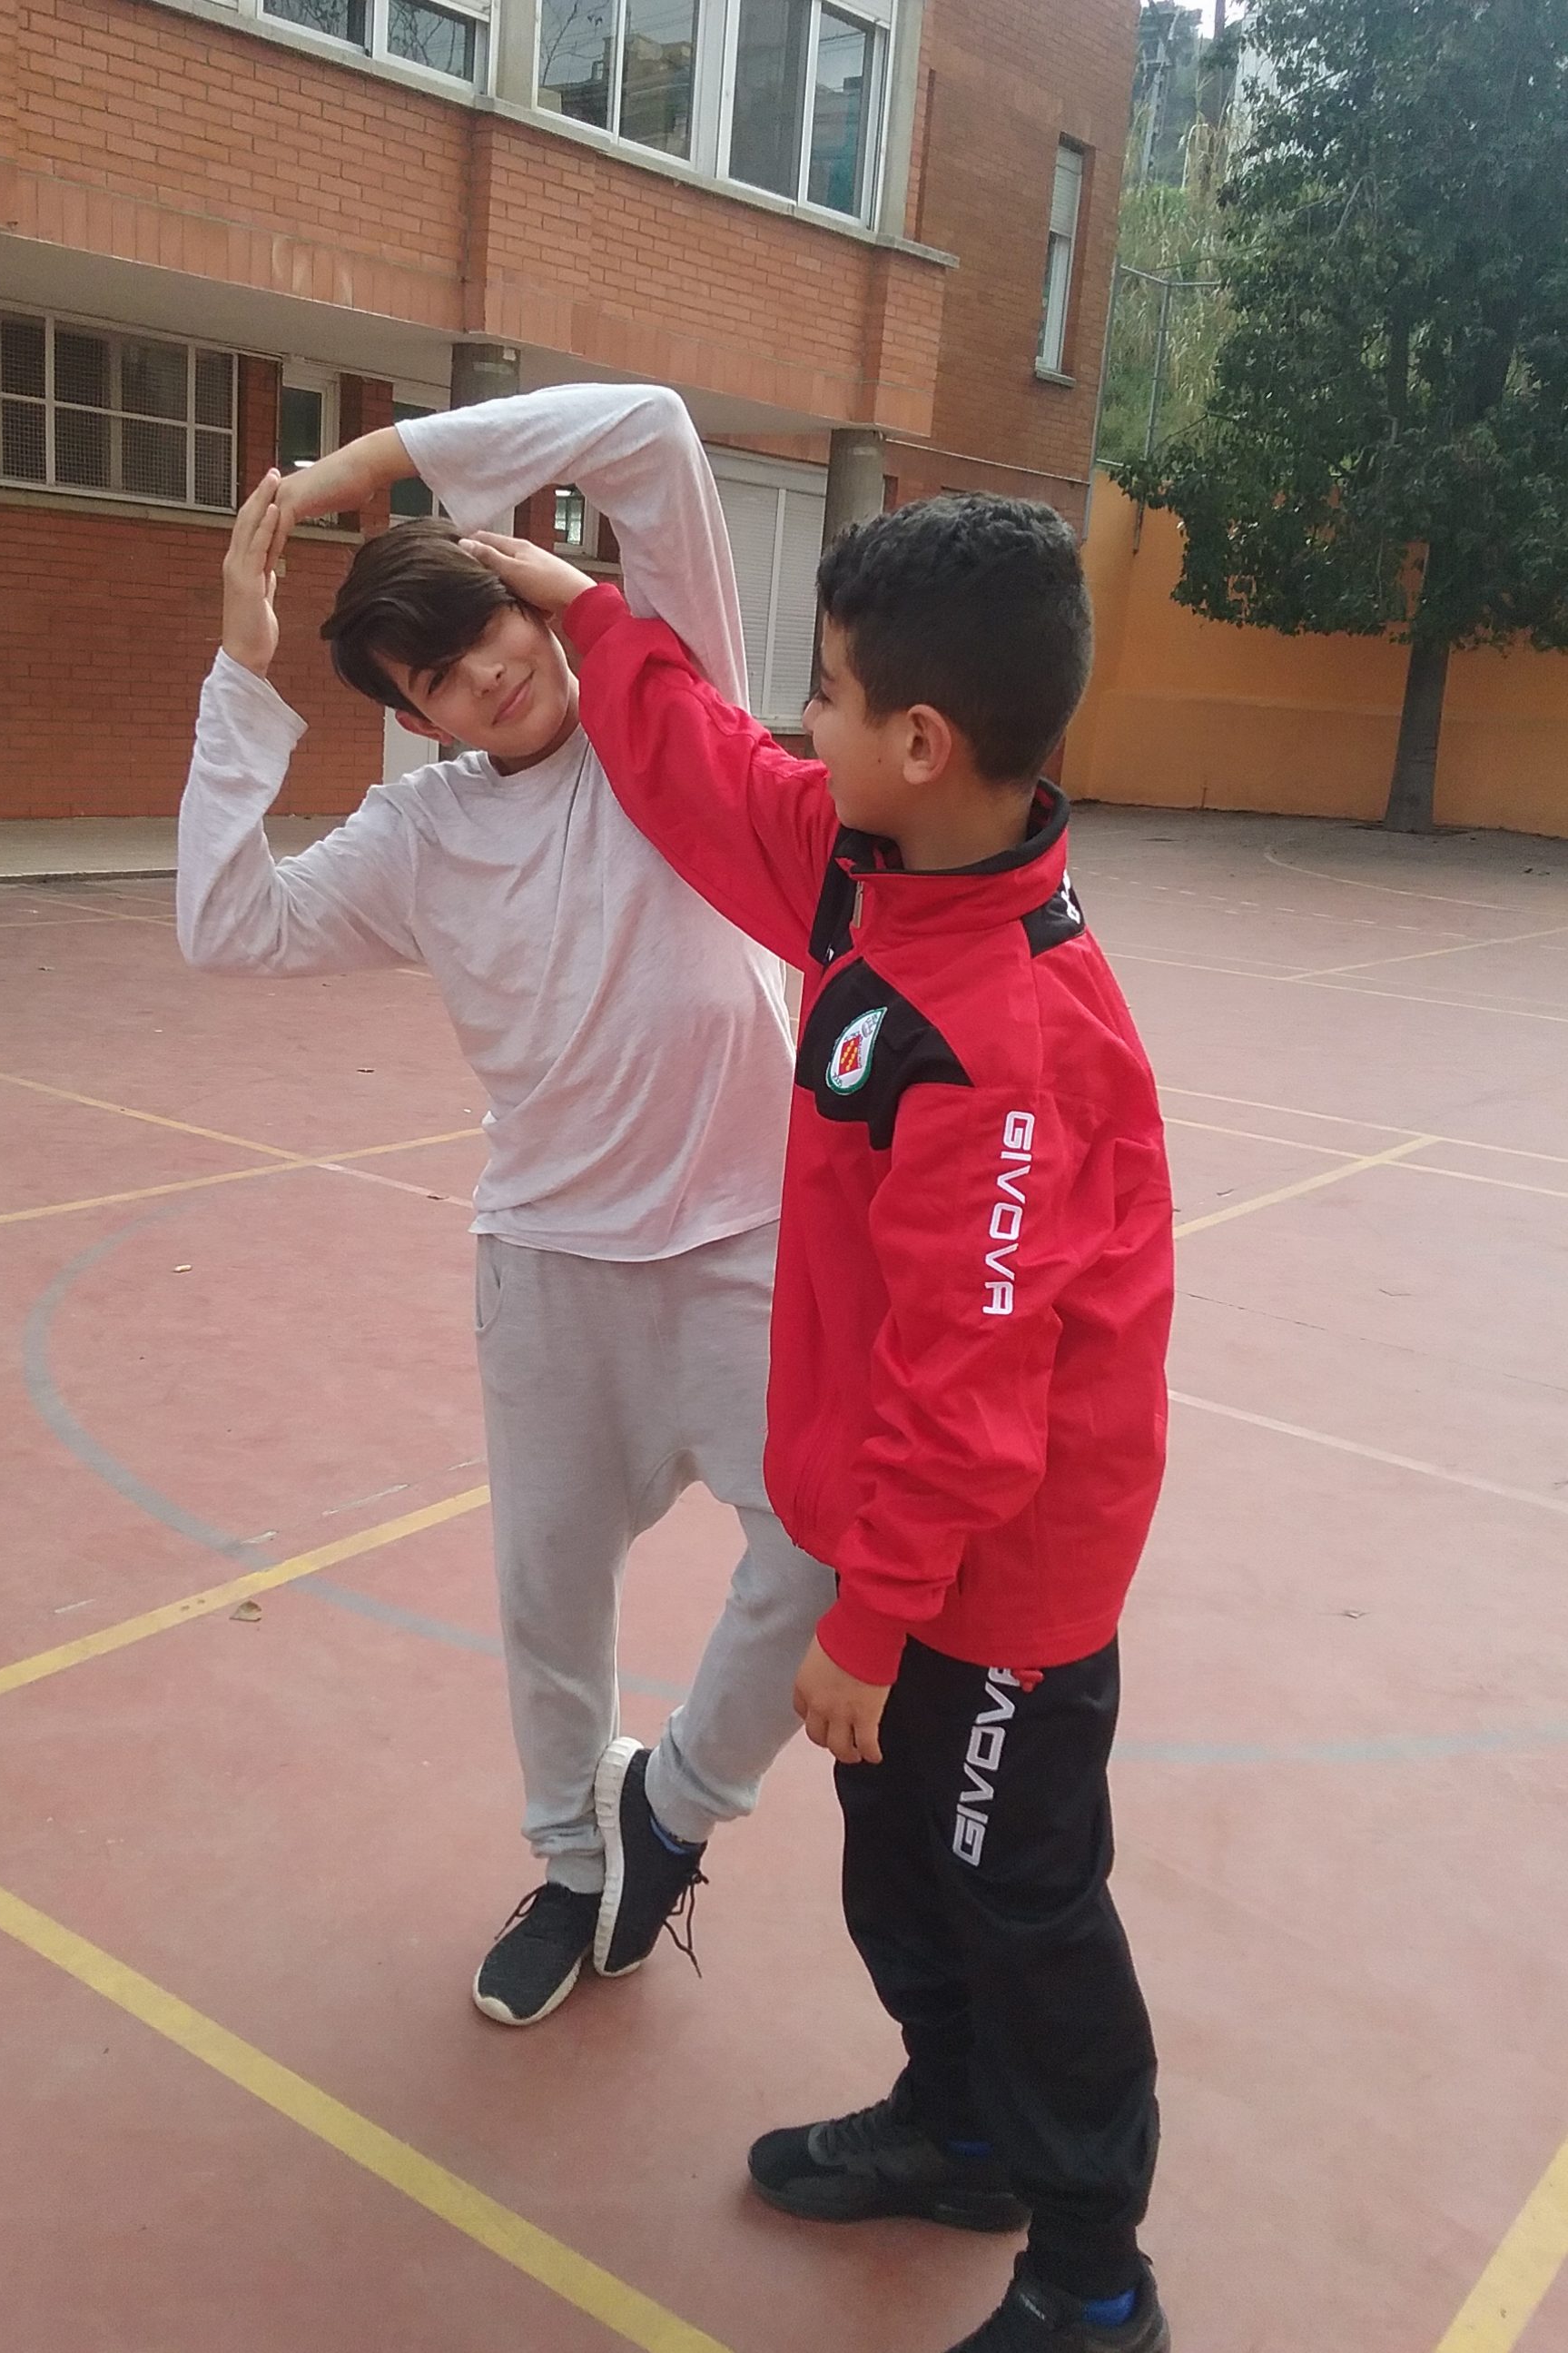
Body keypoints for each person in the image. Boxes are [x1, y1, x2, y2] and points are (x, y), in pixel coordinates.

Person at [460, 500, 1176, 2351]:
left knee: (1023, 1900)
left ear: (921, 743)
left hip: (998, 1581)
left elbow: (977, 1388)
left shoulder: (1004, 1034)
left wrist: (871, 1616)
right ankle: (962, 2132)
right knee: (904, 1862)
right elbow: (715, 775)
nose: (805, 720)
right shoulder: (882, 882)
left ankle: (1095, 2279)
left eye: (832, 693)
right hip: (902, 1548)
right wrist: (587, 610)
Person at [175, 383, 833, 2031]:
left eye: (488, 630)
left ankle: (666, 1813)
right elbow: (227, 923)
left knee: (824, 1553)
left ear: (527, 593)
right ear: (421, 720)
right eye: (440, 679)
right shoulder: (421, 835)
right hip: (551, 1267)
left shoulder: (671, 705)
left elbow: (656, 433)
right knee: (551, 1602)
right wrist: (242, 672)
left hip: (751, 1244)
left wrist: (373, 465)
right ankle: (570, 1859)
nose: (487, 674)